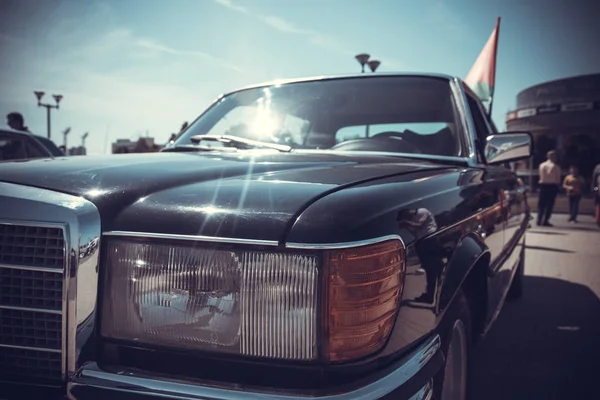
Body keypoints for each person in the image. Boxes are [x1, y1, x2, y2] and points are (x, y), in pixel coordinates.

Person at [537, 150, 561, 227]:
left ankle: (539, 219)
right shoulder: (556, 167)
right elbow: (557, 179)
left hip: (543, 185)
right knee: (549, 205)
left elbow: (540, 175)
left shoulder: (542, 165)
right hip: (552, 186)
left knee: (541, 204)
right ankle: (545, 220)